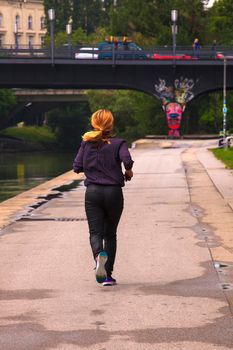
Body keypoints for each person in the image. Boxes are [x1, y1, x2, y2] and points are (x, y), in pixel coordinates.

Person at [73, 109, 134, 286]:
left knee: (95, 232)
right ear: (111, 124)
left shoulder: (86, 143)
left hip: (93, 193)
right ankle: (107, 275)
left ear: (94, 123)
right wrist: (127, 171)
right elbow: (127, 161)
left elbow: (77, 166)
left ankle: (99, 254)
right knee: (110, 234)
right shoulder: (119, 143)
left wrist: (92, 166)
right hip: (114, 192)